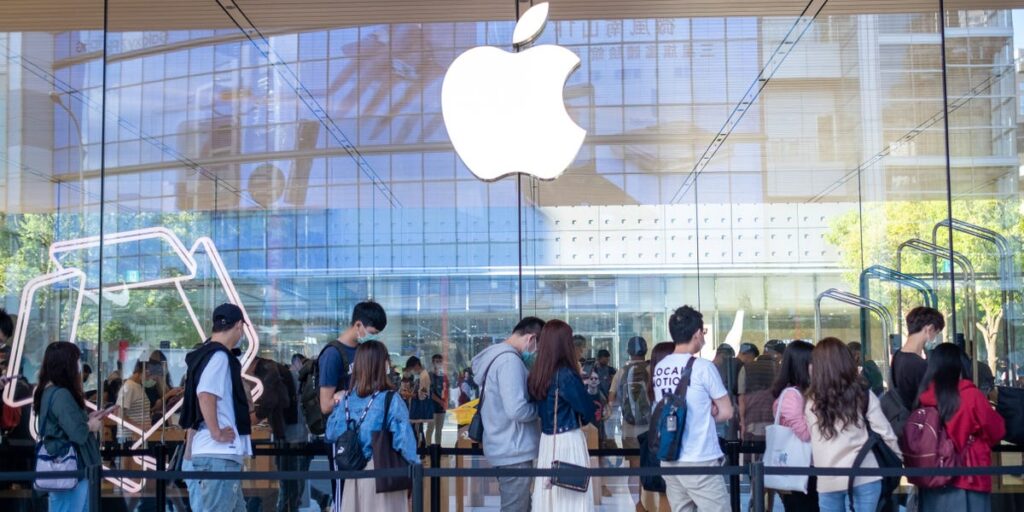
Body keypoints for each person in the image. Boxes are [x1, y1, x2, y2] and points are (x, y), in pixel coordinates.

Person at [651, 306, 733, 512]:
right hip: (699, 458)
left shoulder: (660, 367)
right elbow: (727, 412)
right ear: (697, 333)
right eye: (703, 332)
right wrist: (708, 412)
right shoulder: (703, 367)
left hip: (670, 457)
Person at [805, 337, 901, 512]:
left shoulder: (811, 401)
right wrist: (897, 460)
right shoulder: (863, 394)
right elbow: (886, 433)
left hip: (828, 479)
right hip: (865, 474)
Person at [325, 340, 419, 512]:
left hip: (352, 478)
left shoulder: (345, 399)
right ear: (382, 364)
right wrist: (416, 469)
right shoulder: (391, 399)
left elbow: (330, 433)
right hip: (383, 476)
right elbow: (404, 443)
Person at [180, 303, 253, 512]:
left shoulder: (205, 355)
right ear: (239, 326)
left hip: (215, 454)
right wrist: (217, 432)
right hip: (218, 454)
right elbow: (205, 394)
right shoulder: (219, 357)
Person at [915, 343, 1006, 510]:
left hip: (932, 477)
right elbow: (997, 430)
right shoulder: (971, 396)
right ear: (961, 367)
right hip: (969, 476)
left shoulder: (923, 396)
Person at [471, 317, 544, 512]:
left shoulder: (496, 358)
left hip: (503, 444)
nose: (536, 353)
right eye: (538, 347)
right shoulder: (509, 361)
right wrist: (540, 410)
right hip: (514, 449)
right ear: (531, 339)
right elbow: (517, 409)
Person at [33, 342, 111, 512]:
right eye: (76, 360)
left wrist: (87, 420)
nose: (79, 365)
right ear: (67, 364)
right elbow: (78, 434)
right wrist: (90, 425)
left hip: (64, 465)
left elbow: (66, 425)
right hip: (72, 467)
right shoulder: (62, 394)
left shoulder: (49, 391)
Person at [528, 320, 597, 512]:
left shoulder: (538, 373)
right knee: (572, 498)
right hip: (568, 440)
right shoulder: (565, 374)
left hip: (547, 441)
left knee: (550, 500)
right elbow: (587, 410)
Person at [769, 340, 818, 511]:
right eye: (814, 362)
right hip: (799, 469)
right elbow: (804, 433)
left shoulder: (803, 393)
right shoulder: (792, 396)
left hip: (807, 469)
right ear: (802, 365)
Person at [318, 301, 388, 416]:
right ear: (358, 325)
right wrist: (347, 396)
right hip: (342, 428)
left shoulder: (364, 349)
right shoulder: (332, 355)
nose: (374, 338)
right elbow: (325, 406)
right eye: (372, 333)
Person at [892, 307, 945, 411]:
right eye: (936, 333)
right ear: (929, 329)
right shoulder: (918, 364)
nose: (935, 338)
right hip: (917, 422)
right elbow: (930, 400)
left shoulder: (898, 356)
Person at [279, 354, 311, 512]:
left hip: (284, 437)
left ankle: (289, 507)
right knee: (296, 483)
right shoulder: (301, 379)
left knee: (285, 484)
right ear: (297, 362)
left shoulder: (286, 379)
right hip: (298, 437)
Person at [738, 340, 783, 441]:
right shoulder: (781, 370)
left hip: (751, 419)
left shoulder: (746, 368)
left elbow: (741, 397)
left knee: (750, 451)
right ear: (777, 355)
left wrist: (742, 421)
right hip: (773, 419)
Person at [116, 360, 152, 441]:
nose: (150, 377)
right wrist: (138, 427)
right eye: (148, 373)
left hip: (138, 436)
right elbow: (119, 413)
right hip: (130, 437)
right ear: (141, 371)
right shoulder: (129, 387)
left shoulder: (138, 386)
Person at [426, 353, 449, 445]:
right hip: (431, 406)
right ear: (433, 362)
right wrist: (441, 402)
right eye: (437, 361)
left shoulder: (444, 376)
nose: (438, 363)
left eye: (440, 361)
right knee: (430, 428)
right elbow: (429, 393)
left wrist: (445, 403)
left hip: (441, 407)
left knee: (439, 429)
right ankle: (428, 448)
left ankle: (438, 448)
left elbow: (446, 390)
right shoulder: (429, 375)